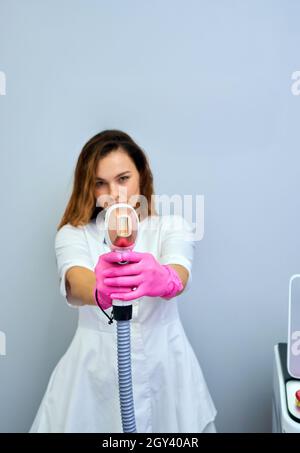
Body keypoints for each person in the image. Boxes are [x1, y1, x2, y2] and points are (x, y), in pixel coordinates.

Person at [29, 130, 217, 433]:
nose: (114, 193)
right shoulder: (73, 234)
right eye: (100, 183)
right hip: (94, 378)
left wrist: (164, 279)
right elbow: (75, 282)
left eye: (123, 178)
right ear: (88, 188)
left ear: (141, 176)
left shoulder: (172, 226)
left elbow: (179, 273)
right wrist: (101, 287)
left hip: (167, 371)